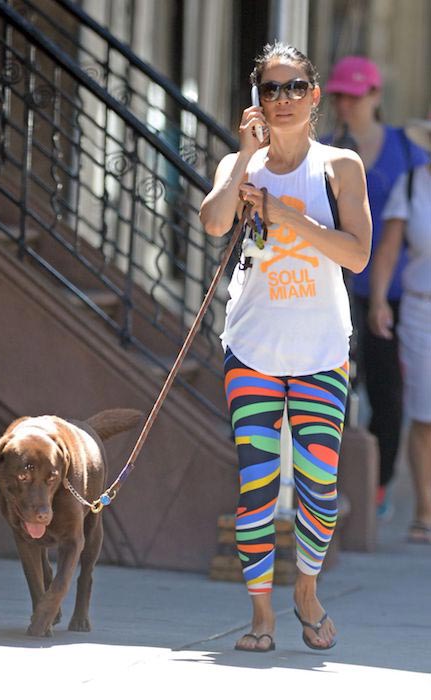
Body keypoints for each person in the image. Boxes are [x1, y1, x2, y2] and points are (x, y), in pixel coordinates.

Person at [199, 41, 371, 652]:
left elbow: (356, 253)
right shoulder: (238, 164)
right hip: (251, 346)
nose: (283, 100)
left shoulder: (339, 167)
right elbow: (214, 222)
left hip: (323, 348)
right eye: (270, 89)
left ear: (315, 94)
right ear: (256, 100)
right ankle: (262, 614)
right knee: (257, 483)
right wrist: (247, 156)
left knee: (318, 486)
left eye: (294, 87)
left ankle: (305, 588)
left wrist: (283, 214)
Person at [323, 56, 429, 518]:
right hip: (333, 285)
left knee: (387, 393)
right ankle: (334, 482)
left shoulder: (407, 151)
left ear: (375, 97)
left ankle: (380, 483)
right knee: (337, 386)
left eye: (355, 94)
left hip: (390, 292)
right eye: (339, 94)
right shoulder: (323, 148)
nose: (346, 103)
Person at [368, 116, 431, 544]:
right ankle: (426, 511)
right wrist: (376, 303)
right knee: (425, 416)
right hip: (421, 312)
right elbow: (388, 250)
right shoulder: (412, 186)